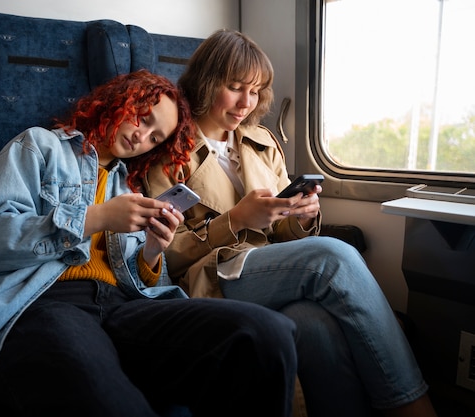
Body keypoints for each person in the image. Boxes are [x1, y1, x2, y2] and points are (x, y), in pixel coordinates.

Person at [0, 69, 299, 417]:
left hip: (124, 307)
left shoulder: (129, 186)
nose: (143, 137)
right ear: (119, 102)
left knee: (266, 334)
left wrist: (154, 250)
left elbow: (144, 284)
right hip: (42, 303)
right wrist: (97, 218)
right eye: (142, 118)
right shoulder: (39, 146)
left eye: (156, 138)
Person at [144, 30, 438, 417]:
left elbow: (280, 229)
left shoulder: (261, 141)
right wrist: (234, 220)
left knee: (313, 324)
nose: (246, 103)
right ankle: (415, 407)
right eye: (234, 88)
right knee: (332, 257)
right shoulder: (168, 150)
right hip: (211, 273)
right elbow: (166, 254)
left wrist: (302, 216)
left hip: (268, 265)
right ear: (206, 82)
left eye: (256, 90)